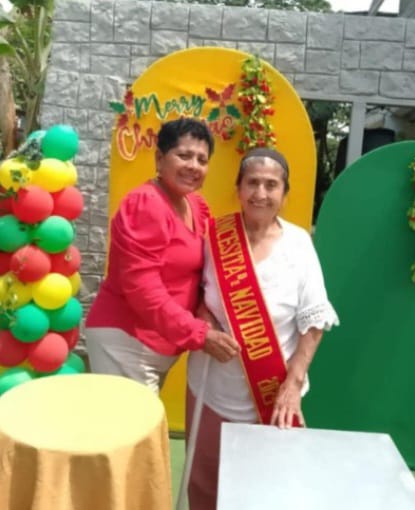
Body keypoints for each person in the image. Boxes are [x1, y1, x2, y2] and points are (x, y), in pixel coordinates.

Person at [186, 147, 339, 509]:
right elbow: (194, 292)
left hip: (274, 394)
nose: (260, 193)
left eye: (271, 185)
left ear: (284, 194)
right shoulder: (214, 236)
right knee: (204, 481)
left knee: (266, 487)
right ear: (238, 189)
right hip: (211, 388)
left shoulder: (299, 244)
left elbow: (314, 321)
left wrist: (293, 384)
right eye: (252, 183)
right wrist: (204, 320)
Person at [84, 118, 239, 392]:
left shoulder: (196, 204)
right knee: (134, 421)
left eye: (202, 160)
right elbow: (143, 288)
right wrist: (198, 333)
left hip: (158, 344)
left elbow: (206, 269)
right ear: (159, 158)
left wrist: (205, 309)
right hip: (126, 342)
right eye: (184, 156)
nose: (194, 166)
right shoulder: (146, 203)